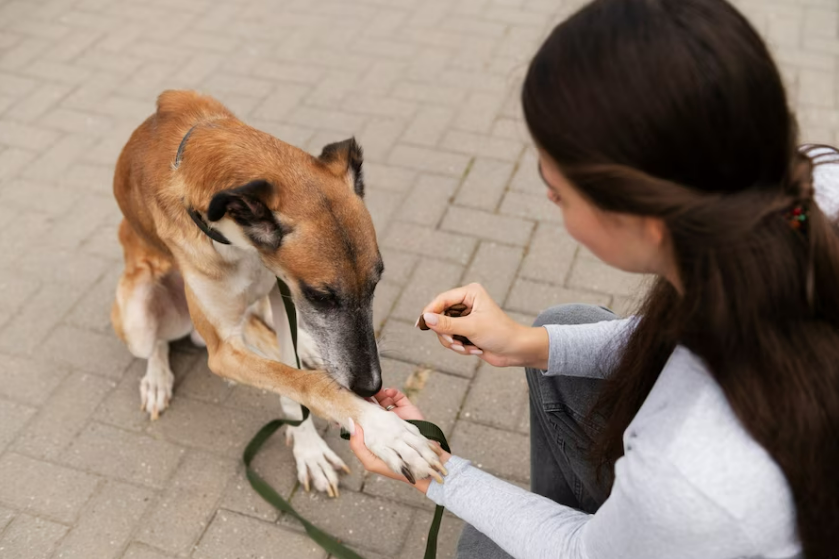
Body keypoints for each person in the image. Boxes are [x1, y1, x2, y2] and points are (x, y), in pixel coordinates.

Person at [349, 0, 839, 557]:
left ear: (644, 220)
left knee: (485, 546)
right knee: (565, 329)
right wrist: (525, 344)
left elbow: (578, 553)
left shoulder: (694, 473)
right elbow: (676, 344)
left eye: (555, 187)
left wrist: (429, 467)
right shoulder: (810, 184)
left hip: (690, 518)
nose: (548, 196)